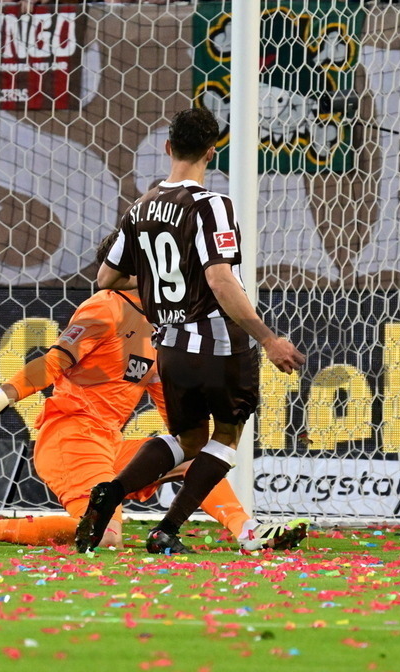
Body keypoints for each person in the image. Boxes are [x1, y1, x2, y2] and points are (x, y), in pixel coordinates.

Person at [0, 232, 308, 553]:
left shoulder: (165, 325)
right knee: (106, 536)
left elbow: (174, 416)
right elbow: (53, 362)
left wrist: (211, 441)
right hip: (70, 436)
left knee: (195, 465)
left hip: (110, 442)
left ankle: (248, 532)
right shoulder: (105, 308)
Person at [76, 107, 305, 555]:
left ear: (168, 148)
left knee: (187, 440)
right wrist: (268, 338)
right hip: (217, 340)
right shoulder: (212, 205)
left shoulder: (141, 207)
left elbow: (105, 278)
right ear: (211, 152)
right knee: (226, 435)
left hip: (171, 346)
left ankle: (112, 491)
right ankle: (167, 529)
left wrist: (161, 282)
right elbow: (221, 279)